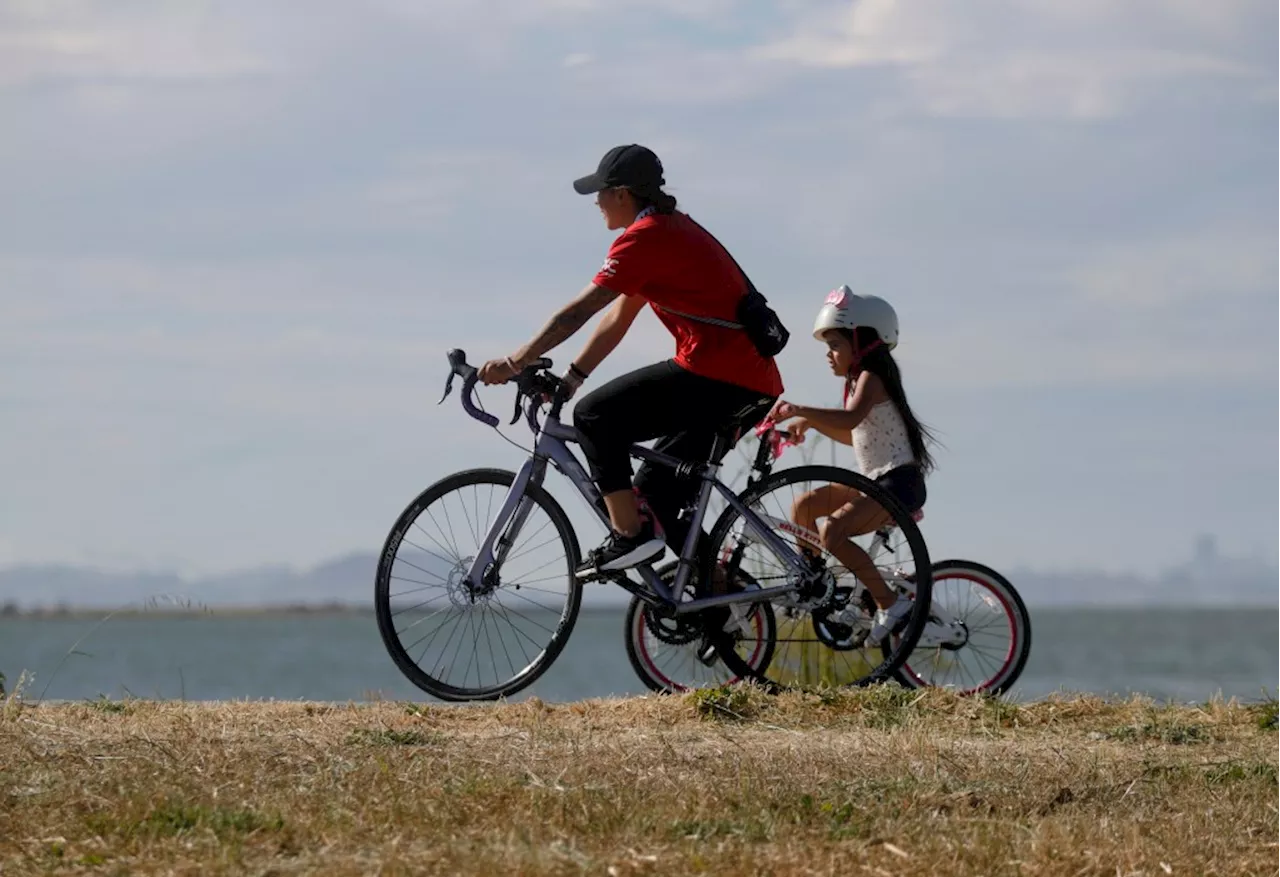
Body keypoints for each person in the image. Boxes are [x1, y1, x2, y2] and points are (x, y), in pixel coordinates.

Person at [478, 144, 783, 577]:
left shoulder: (647, 237)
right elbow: (617, 319)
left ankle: (629, 540)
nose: (596, 203)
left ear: (622, 193)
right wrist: (571, 377)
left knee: (595, 417)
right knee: (652, 500)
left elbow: (578, 312)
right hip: (745, 382)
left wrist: (516, 360)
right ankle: (720, 602)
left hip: (720, 376)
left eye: (600, 193)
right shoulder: (667, 231)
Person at [765, 285, 936, 644]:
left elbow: (850, 419)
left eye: (835, 345)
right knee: (804, 508)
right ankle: (814, 584)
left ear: (864, 344)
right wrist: (811, 424)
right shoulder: (857, 381)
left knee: (832, 532)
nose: (829, 354)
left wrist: (801, 411)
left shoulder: (873, 379)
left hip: (897, 483)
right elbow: (854, 435)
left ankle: (889, 604)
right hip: (876, 479)